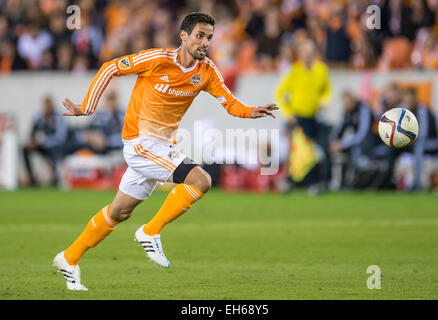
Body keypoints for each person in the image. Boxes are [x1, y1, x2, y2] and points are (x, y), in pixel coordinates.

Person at [53, 12, 278, 291]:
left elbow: (230, 103)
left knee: (119, 212)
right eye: (199, 35)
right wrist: (87, 106)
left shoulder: (206, 71)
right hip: (139, 144)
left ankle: (69, 258)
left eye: (209, 37)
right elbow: (110, 67)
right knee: (201, 180)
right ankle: (150, 231)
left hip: (162, 147)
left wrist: (250, 111)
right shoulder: (157, 59)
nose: (205, 42)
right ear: (183, 36)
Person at [275, 38, 331, 192]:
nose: (307, 55)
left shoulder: (321, 69)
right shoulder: (294, 71)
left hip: (313, 117)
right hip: (297, 118)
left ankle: (310, 182)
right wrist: (288, 113)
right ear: (300, 54)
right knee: (295, 150)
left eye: (310, 52)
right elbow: (280, 94)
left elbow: (326, 90)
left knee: (311, 151)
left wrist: (323, 101)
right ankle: (291, 180)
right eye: (305, 52)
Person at [328, 90, 375, 189]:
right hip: (353, 143)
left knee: (355, 151)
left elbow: (362, 134)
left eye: (348, 103)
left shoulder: (363, 109)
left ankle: (352, 181)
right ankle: (335, 182)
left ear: (353, 100)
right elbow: (338, 129)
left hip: (368, 143)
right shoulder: (346, 112)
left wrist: (343, 144)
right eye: (345, 104)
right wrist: (334, 143)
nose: (346, 106)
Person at [23, 95, 68, 186]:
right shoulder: (38, 117)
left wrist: (44, 141)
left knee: (54, 153)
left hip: (55, 147)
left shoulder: (58, 118)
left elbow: (60, 137)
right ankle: (31, 178)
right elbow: (32, 132)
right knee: (25, 149)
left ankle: (54, 178)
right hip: (42, 146)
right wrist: (32, 142)